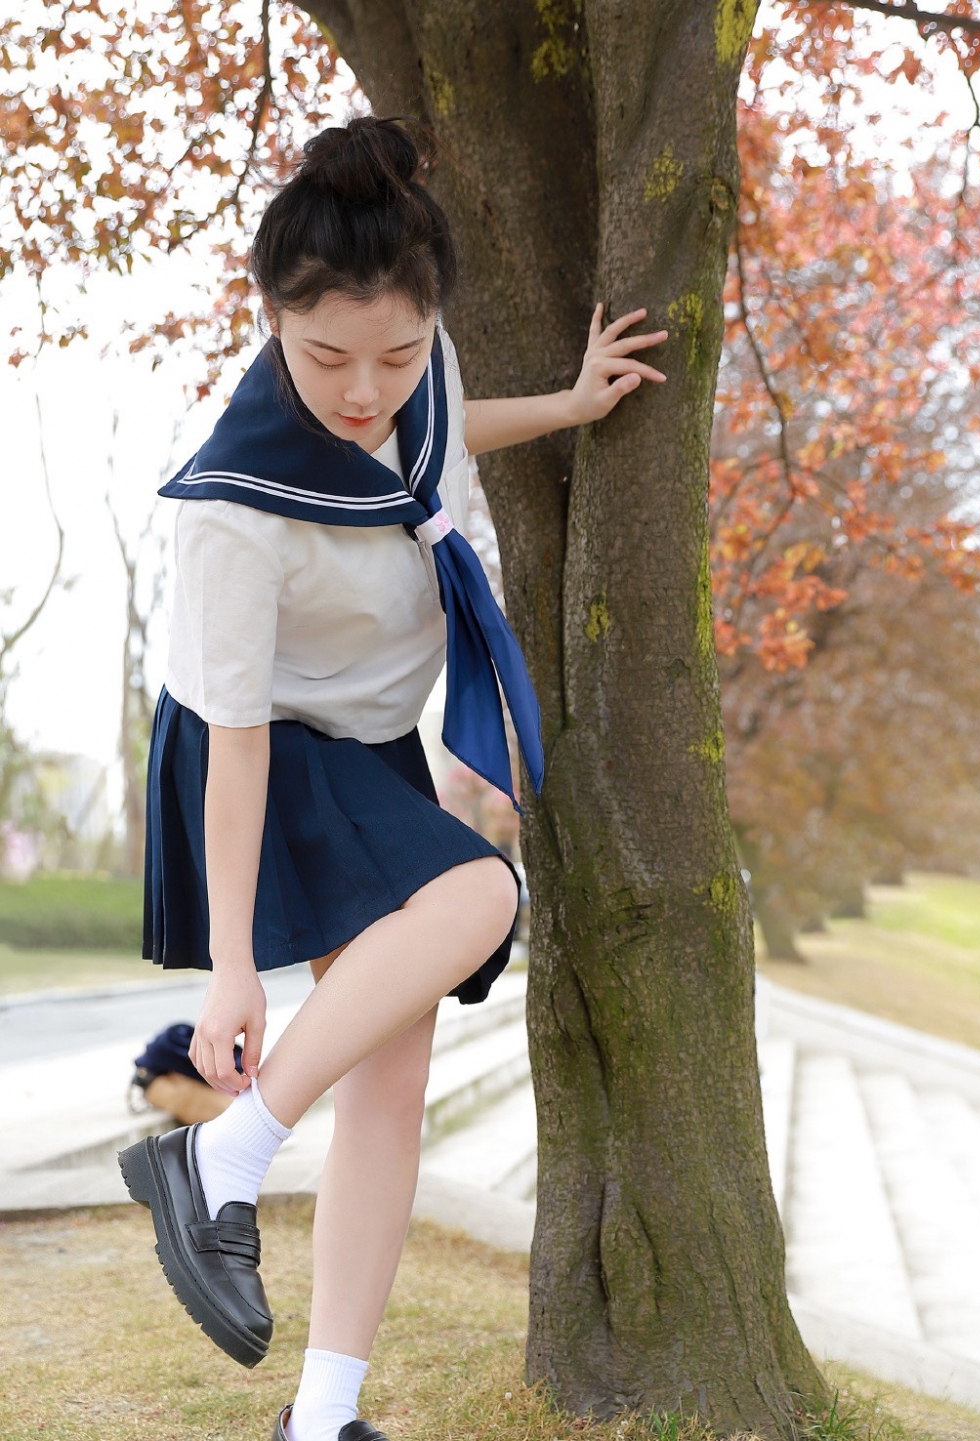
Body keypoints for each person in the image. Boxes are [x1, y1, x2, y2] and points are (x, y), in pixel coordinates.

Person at [118, 114, 667, 1441]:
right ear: (269, 319)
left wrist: (575, 405)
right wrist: (234, 963)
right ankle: (218, 1153)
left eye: (398, 353)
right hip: (269, 758)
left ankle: (323, 1416)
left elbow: (432, 439)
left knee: (396, 1073)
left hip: (373, 751)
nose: (364, 390)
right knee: (484, 898)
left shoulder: (413, 378)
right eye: (325, 358)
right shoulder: (232, 510)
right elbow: (234, 748)